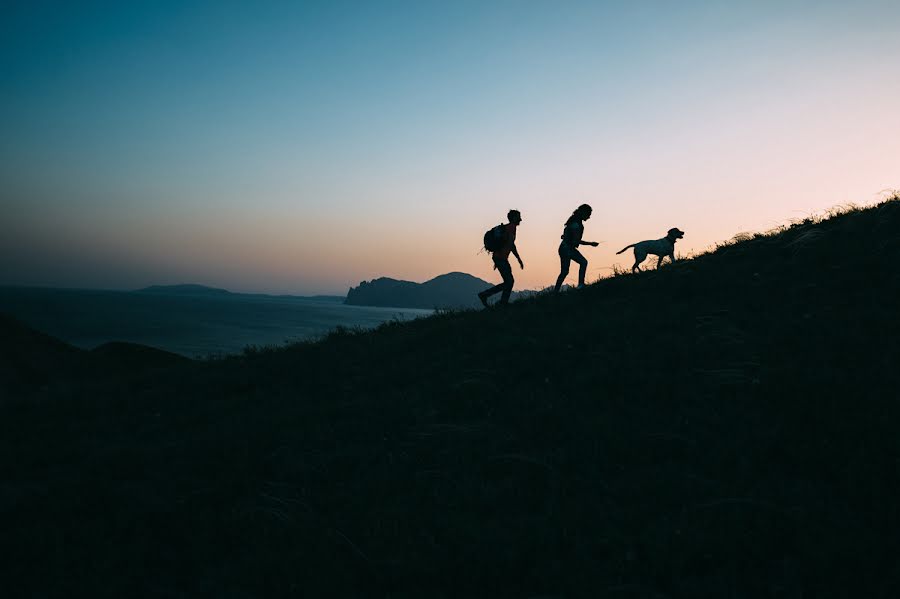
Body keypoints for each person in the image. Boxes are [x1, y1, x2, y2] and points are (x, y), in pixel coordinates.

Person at [478, 209, 524, 307]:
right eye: (518, 217)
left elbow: (510, 244)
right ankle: (487, 296)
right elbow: (511, 245)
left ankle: (502, 302)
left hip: (500, 258)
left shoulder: (509, 228)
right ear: (514, 218)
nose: (520, 219)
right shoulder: (511, 228)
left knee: (509, 281)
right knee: (509, 281)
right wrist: (518, 259)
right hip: (500, 258)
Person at [554, 204, 599, 292]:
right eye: (588, 214)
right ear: (583, 213)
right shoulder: (576, 224)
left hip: (564, 248)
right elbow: (576, 241)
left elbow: (567, 235)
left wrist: (565, 237)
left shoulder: (574, 221)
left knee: (565, 271)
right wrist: (591, 243)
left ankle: (556, 292)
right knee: (582, 263)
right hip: (567, 249)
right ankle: (580, 285)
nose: (589, 217)